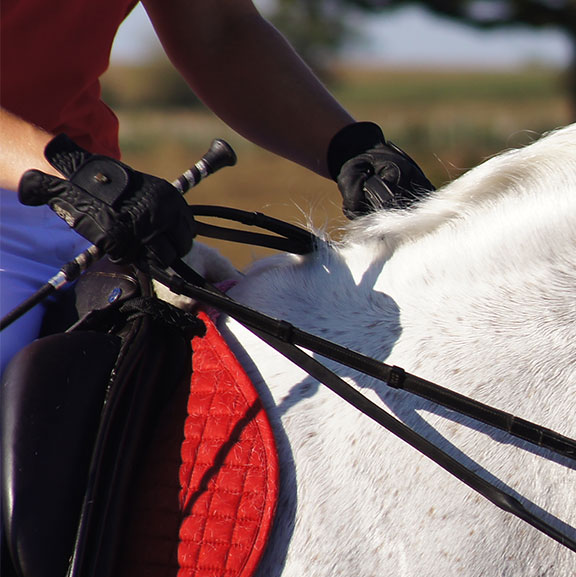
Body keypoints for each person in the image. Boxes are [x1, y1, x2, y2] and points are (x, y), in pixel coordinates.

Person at [0, 0, 434, 363]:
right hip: (61, 184)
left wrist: (348, 148)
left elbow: (220, 32)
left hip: (94, 212)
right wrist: (70, 171)